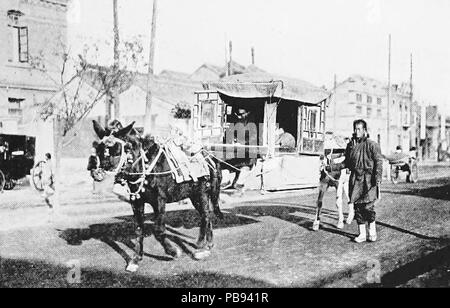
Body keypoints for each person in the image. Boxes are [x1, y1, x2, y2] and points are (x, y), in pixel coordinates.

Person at [327, 119, 383, 243]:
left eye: (359, 129)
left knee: (368, 207)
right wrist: (331, 167)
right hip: (356, 180)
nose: (356, 131)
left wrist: (377, 177)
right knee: (357, 207)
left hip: (369, 179)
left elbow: (379, 161)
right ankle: (362, 234)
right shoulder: (351, 146)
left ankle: (372, 233)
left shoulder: (372, 145)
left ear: (364, 131)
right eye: (355, 129)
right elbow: (346, 163)